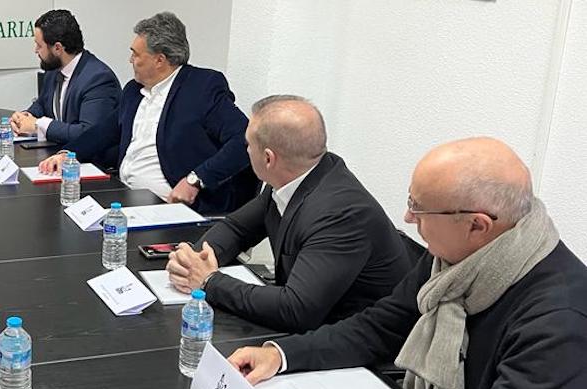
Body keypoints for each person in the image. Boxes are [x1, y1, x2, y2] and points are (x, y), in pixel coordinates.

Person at [228, 137, 587, 389]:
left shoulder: (559, 318)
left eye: (419, 208)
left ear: (477, 225)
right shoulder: (456, 260)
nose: (408, 218)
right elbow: (379, 327)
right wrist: (281, 355)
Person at [166, 95, 411, 333]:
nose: (246, 150)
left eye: (248, 145)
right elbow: (237, 228)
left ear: (268, 158)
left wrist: (209, 280)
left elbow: (296, 309)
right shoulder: (299, 175)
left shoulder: (341, 214)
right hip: (317, 326)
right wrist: (194, 260)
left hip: (357, 341)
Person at [38, 12, 257, 214]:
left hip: (172, 205)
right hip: (123, 195)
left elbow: (245, 140)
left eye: (135, 54)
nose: (130, 60)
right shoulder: (134, 91)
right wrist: (68, 154)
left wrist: (195, 180)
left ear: (159, 60)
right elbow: (104, 131)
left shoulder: (202, 88)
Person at [9, 9, 120, 144]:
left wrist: (39, 125)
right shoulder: (54, 69)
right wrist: (25, 117)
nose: (35, 50)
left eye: (39, 45)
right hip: (57, 151)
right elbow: (42, 104)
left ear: (57, 48)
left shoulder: (98, 79)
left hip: (88, 156)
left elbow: (88, 134)